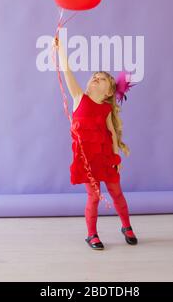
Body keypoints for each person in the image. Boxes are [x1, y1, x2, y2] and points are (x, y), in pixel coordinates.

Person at [52, 34, 138, 250]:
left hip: (106, 159)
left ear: (109, 91)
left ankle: (126, 225)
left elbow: (111, 133)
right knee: (94, 197)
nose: (95, 79)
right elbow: (67, 71)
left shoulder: (106, 108)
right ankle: (92, 234)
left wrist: (116, 157)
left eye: (101, 79)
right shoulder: (79, 97)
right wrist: (61, 48)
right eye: (94, 76)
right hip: (87, 160)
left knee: (117, 193)